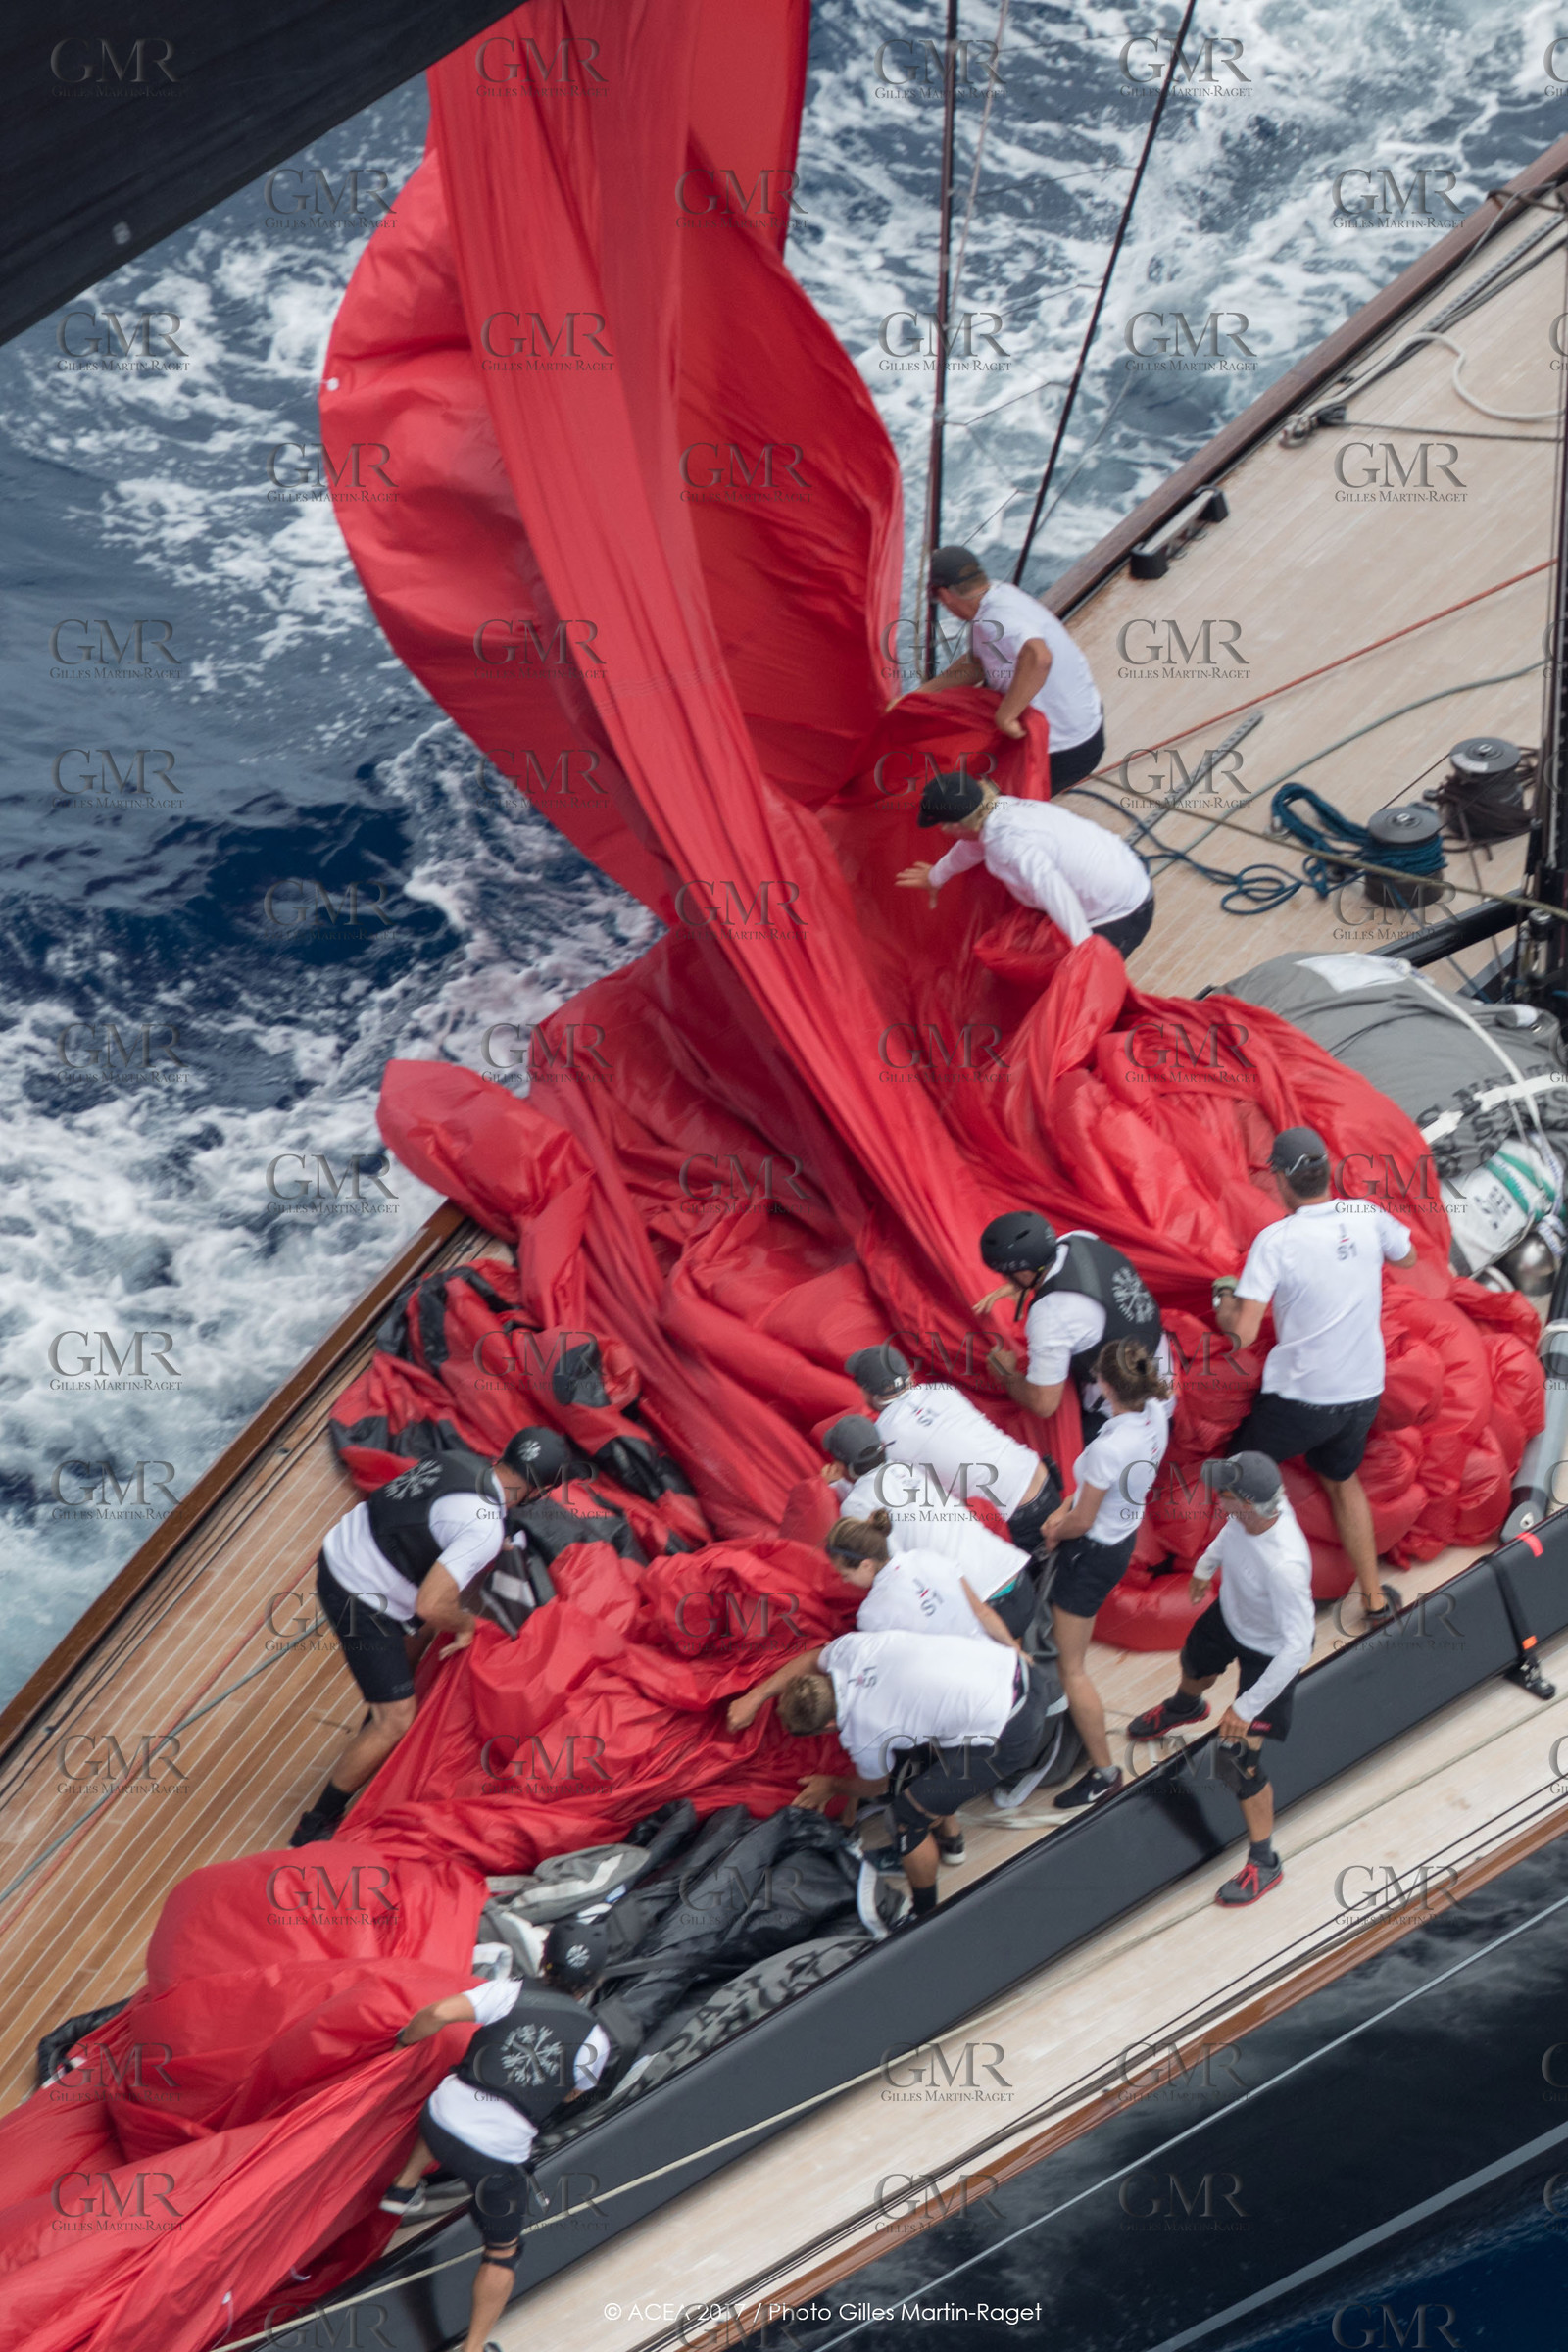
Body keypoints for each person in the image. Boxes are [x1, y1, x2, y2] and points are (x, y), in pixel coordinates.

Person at [1213, 1126, 1419, 1624]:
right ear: (1327, 1170)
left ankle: (1267, 1604)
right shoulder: (1365, 1213)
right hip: (1364, 1390)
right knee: (1341, 1479)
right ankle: (1373, 1600)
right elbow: (1409, 1256)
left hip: (1301, 1399)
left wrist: (1223, 1298)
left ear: (1282, 1179)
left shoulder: (1275, 1241)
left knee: (1234, 1478)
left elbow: (1240, 1333)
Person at [378, 1920, 614, 2352]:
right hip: (493, 2160)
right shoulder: (595, 2038)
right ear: (595, 1980)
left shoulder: (509, 1991)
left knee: (455, 2093)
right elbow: (574, 2092)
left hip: (437, 2121)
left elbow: (435, 2015)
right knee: (503, 2252)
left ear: (545, 1962)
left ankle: (404, 2183)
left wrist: (399, 2045)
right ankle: (474, 2349)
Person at [289, 1439, 534, 1846]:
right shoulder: (484, 1526)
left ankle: (378, 1713)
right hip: (359, 1598)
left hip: (339, 1550)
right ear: (534, 1490)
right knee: (398, 1718)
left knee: (421, 1630)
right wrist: (467, 1625)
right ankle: (315, 1823)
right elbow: (433, 1604)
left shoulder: (457, 1458)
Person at [726, 1623, 1063, 1916]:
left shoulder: (864, 1730)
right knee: (923, 1750)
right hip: (1014, 1667)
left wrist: (833, 1785)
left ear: (829, 1724)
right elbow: (812, 1658)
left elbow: (879, 1785)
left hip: (1013, 1726)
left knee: (905, 1816)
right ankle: (951, 1839)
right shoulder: (851, 1650)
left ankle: (925, 1913)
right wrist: (757, 1696)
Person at [1127, 1452, 1315, 1907]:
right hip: (1232, 1616)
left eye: (1224, 1495)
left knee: (1236, 1762)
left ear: (1249, 1504)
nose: (1217, 1499)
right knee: (1194, 1662)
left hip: (1270, 1654)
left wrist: (1246, 1707)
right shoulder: (1246, 1518)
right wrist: (1203, 1569)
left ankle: (1265, 1862)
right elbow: (1230, 1533)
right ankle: (1184, 1707)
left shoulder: (1285, 1566)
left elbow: (1296, 1647)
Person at [1039, 1340, 1172, 1812]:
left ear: (1105, 1385)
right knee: (1077, 1651)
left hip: (1090, 1551)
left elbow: (1080, 1517)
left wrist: (1055, 1529)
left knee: (1071, 1668)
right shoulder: (1156, 1414)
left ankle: (1103, 1772)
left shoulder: (1108, 1448)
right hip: (1120, 1539)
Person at [897, 770, 1155, 961]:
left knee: (1073, 987)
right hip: (1125, 873)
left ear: (955, 826)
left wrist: (1083, 948)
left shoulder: (1009, 845)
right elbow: (973, 845)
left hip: (1122, 914)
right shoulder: (1002, 809)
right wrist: (936, 876)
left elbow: (1052, 888)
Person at [914, 543, 1106, 793]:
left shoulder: (998, 618)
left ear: (945, 594)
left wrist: (1006, 716)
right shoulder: (999, 595)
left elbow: (1039, 657)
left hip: (1067, 748)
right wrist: (921, 696)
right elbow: (977, 663)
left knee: (972, 804)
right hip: (1087, 721)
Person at [843, 1342, 1062, 1559]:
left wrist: (839, 1485)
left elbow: (886, 1487)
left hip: (1014, 1513)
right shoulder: (942, 1391)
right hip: (1040, 1477)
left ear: (869, 1393)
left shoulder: (885, 1434)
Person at [974, 1209, 1170, 1443]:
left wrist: (1006, 1374)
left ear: (1025, 1274)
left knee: (1064, 1462)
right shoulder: (1079, 1239)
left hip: (1129, 1417)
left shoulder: (1051, 1315)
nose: (1004, 1280)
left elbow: (1044, 1404)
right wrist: (1020, 1285)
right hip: (1160, 1368)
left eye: (1006, 1276)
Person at [826, 1510, 1035, 1644]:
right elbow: (983, 1613)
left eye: (846, 1575)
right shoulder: (927, 1557)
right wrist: (1016, 1653)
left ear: (866, 1564)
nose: (845, 1581)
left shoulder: (871, 1615)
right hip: (999, 1656)